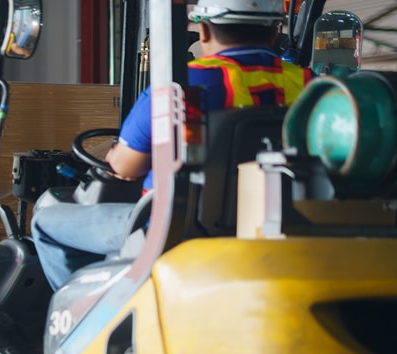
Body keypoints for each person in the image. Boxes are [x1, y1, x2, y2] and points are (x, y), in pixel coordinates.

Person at [30, 0, 311, 291]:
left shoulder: (181, 86)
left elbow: (125, 167)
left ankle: (84, 326)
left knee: (46, 222)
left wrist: (116, 151)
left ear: (203, 30)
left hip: (174, 225)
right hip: (276, 225)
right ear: (276, 30)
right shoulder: (309, 85)